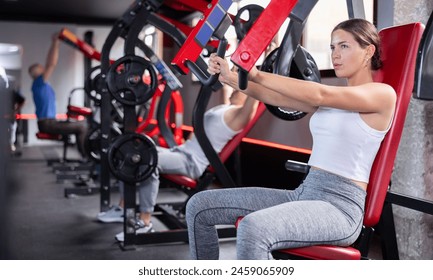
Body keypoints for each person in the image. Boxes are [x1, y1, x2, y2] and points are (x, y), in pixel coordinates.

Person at [185, 18, 396, 260]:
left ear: (368, 51)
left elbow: (320, 92)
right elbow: (273, 97)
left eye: (344, 46)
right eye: (332, 47)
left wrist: (258, 74)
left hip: (340, 209)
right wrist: (232, 78)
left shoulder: (382, 94)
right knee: (199, 206)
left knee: (254, 228)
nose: (335, 55)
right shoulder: (336, 99)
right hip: (305, 193)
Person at [97, 87, 259, 242]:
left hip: (192, 162)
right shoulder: (225, 107)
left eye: (240, 89)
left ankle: (145, 222)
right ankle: (123, 208)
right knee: (130, 150)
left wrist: (258, 74)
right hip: (180, 151)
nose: (235, 90)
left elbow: (254, 96)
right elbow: (227, 85)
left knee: (147, 160)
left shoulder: (238, 117)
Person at [28, 32, 88, 160]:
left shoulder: (40, 84)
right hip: (47, 124)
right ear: (36, 72)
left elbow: (49, 64)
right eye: (40, 67)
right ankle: (86, 158)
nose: (43, 67)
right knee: (82, 127)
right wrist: (55, 43)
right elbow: (51, 64)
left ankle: (84, 156)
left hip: (49, 122)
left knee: (80, 125)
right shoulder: (39, 82)